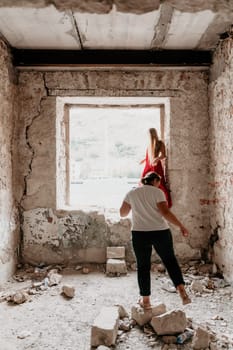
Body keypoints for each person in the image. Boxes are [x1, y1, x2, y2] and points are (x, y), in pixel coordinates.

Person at [119, 171, 191, 309]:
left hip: (140, 233)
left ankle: (145, 300)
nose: (159, 185)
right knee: (170, 261)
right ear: (155, 181)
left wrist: (136, 206)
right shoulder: (158, 192)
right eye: (159, 183)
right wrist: (181, 226)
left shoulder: (132, 193)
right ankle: (181, 291)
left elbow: (122, 214)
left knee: (143, 266)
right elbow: (165, 213)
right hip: (160, 232)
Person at [140, 128, 172, 208]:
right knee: (144, 182)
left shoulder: (160, 143)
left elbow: (163, 155)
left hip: (156, 165)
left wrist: (157, 159)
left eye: (149, 134)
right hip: (148, 164)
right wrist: (144, 160)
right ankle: (146, 202)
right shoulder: (149, 144)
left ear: (152, 134)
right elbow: (149, 156)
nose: (148, 136)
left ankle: (166, 203)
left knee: (159, 183)